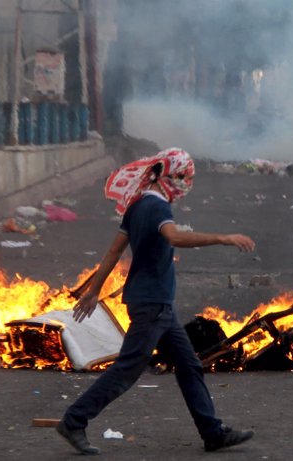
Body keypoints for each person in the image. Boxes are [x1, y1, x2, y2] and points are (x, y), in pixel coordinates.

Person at [56, 148, 256, 455]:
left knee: (189, 366)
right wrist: (223, 238)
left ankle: (213, 432)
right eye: (185, 178)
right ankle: (74, 420)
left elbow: (113, 252)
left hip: (158, 305)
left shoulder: (137, 205)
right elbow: (175, 238)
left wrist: (94, 290)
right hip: (152, 305)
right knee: (126, 370)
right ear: (171, 177)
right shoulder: (156, 207)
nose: (187, 184)